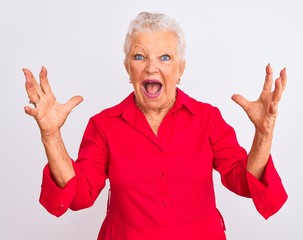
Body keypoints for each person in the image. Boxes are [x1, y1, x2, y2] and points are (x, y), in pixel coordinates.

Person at [23, 12, 287, 240]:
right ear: (128, 68)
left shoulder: (207, 119)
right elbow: (80, 195)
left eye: (165, 58)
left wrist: (264, 134)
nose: (151, 67)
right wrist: (51, 135)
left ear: (180, 69)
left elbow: (244, 180)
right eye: (139, 57)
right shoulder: (104, 125)